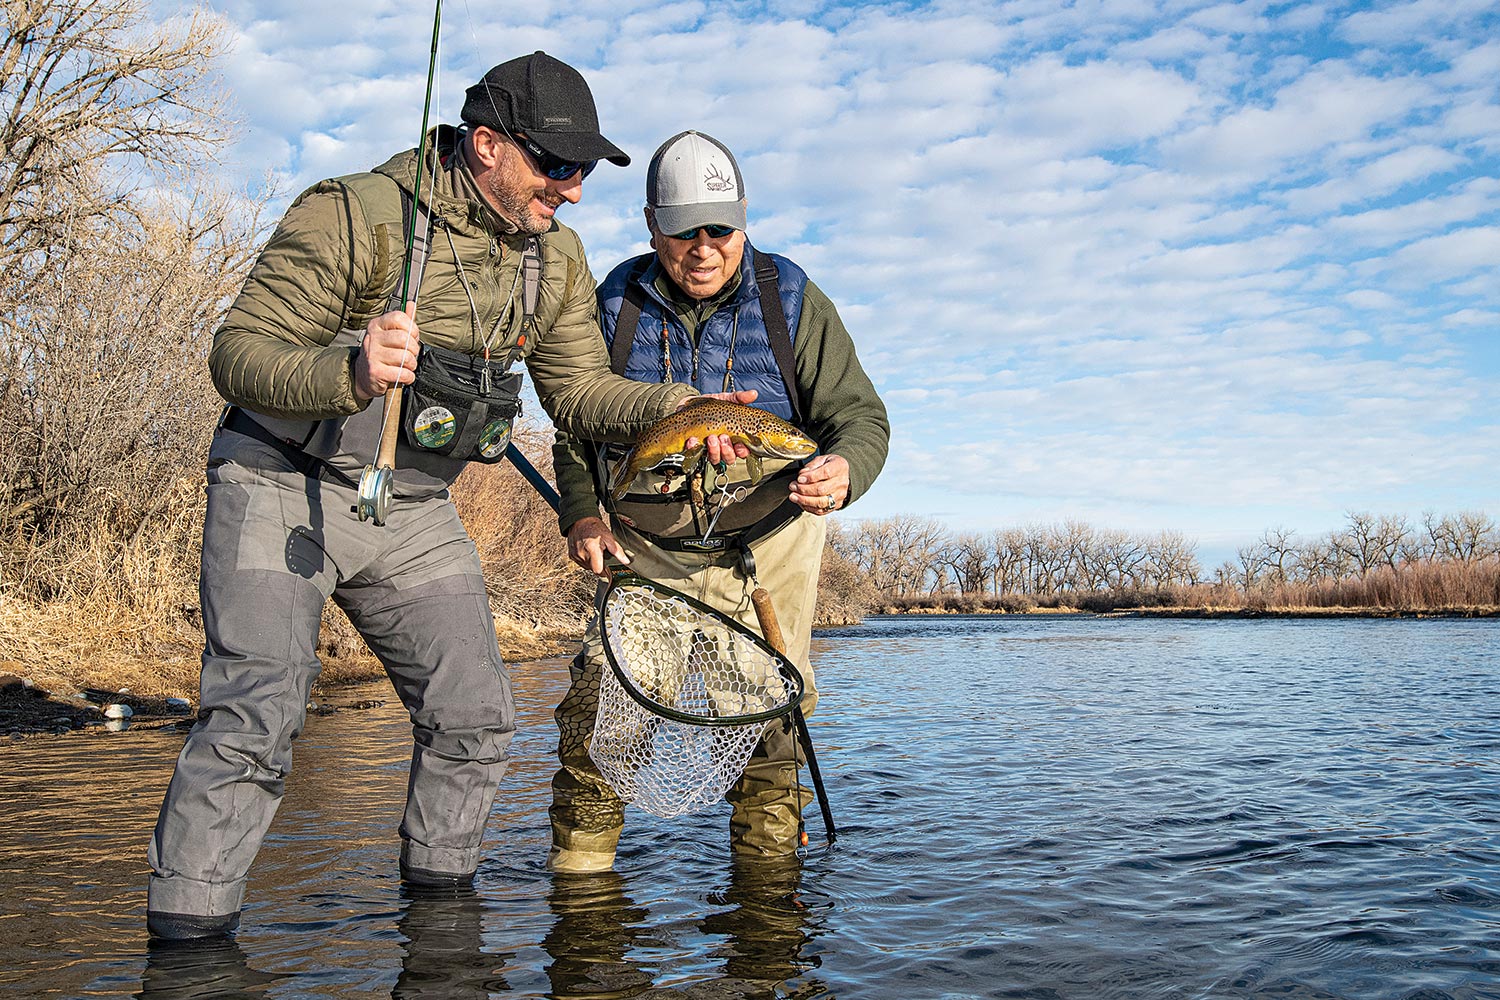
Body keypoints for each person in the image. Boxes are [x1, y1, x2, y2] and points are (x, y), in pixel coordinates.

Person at [146, 52, 726, 942]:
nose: (572, 192)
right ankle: (186, 950)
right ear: (488, 145)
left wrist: (680, 408)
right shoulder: (355, 215)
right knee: (256, 717)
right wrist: (348, 369)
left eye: (583, 171)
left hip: (410, 510)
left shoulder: (556, 258)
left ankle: (441, 930)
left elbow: (579, 393)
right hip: (278, 483)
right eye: (558, 166)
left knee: (476, 717)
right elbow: (237, 354)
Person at [547, 131, 889, 871]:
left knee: (770, 724)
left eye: (720, 230)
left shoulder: (791, 297)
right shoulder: (613, 302)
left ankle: (768, 906)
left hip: (771, 542)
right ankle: (579, 886)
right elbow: (573, 427)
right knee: (600, 717)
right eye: (682, 232)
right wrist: (581, 511)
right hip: (644, 552)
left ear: (744, 221)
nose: (703, 249)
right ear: (650, 226)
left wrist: (843, 469)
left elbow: (860, 419)